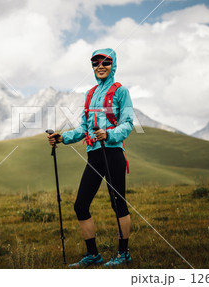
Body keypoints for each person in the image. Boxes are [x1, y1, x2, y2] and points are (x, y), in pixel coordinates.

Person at [47, 48, 134, 268]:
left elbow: (128, 123)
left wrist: (110, 134)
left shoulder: (121, 92)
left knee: (118, 204)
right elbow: (84, 128)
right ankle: (93, 254)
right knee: (80, 205)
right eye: (96, 63)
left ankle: (123, 253)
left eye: (105, 62)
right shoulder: (90, 93)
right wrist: (62, 138)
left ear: (113, 64)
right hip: (94, 154)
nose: (100, 66)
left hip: (113, 152)